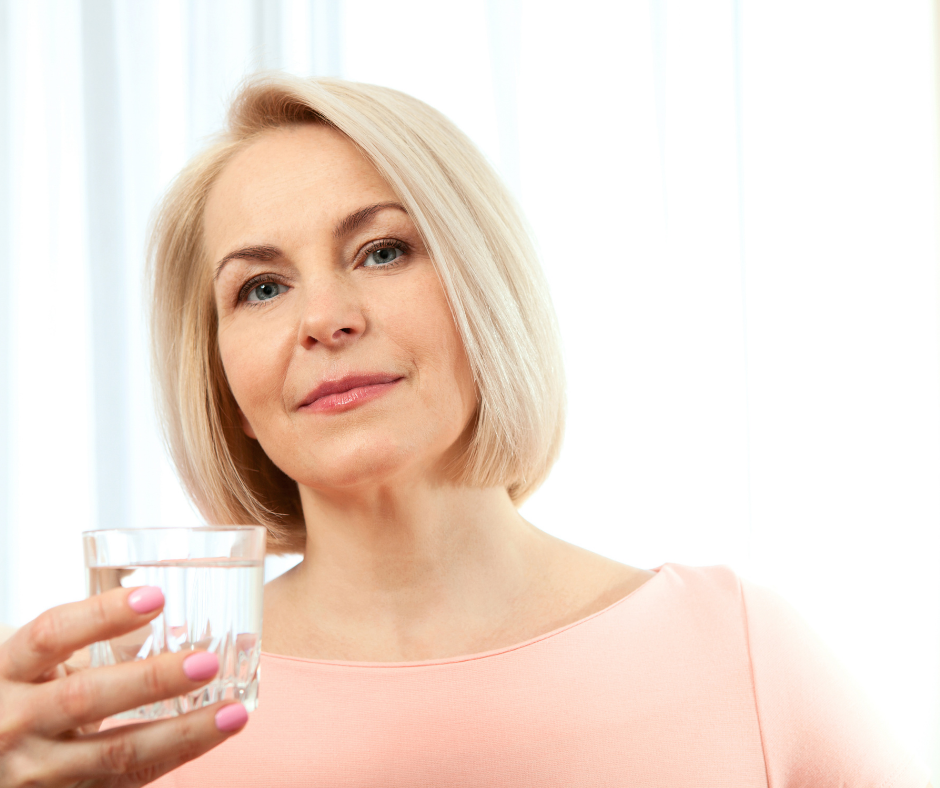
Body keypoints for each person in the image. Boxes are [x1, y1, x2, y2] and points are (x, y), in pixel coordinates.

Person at [0, 73, 932, 787]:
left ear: (487, 297)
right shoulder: (137, 707)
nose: (323, 317)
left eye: (384, 249)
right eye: (262, 286)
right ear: (221, 379)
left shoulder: (740, 649)